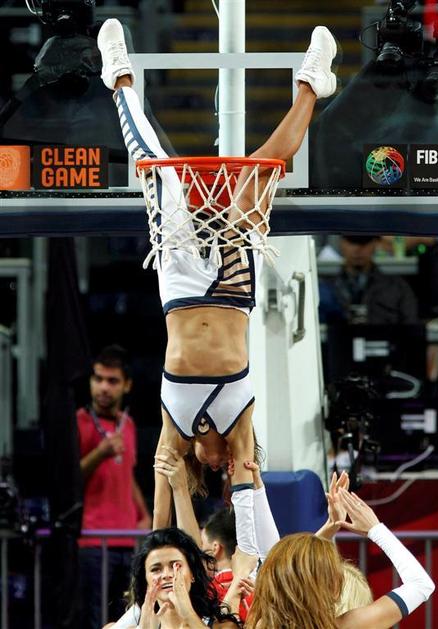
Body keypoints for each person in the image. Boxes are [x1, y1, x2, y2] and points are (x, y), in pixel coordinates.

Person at [96, 17, 338, 550]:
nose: (226, 464)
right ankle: (311, 86)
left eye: (219, 469)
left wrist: (152, 567)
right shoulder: (242, 430)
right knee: (255, 178)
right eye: (231, 469)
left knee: (160, 173)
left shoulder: (174, 435)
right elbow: (249, 490)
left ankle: (120, 80)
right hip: (231, 291)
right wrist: (244, 487)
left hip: (180, 289)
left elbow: (160, 526)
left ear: (202, 469)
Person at [245, 488, 435, 629]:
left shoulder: (259, 622)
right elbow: (421, 584)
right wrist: (376, 530)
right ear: (331, 588)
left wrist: (332, 525)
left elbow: (289, 569)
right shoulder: (349, 625)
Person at [77, 344, 151, 629]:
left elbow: (126, 474)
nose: (104, 387)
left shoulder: (127, 425)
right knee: (96, 619)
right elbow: (68, 481)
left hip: (129, 539)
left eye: (112, 380)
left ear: (127, 385)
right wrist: (100, 453)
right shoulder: (79, 422)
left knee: (129, 620)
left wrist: (143, 514)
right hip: (93, 541)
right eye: (98, 379)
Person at [103, 527, 246, 628]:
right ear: (145, 580)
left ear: (192, 574)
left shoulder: (224, 626)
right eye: (156, 569)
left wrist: (188, 614)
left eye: (176, 566)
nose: (167, 575)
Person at [319, 234, 419, 325]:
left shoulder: (397, 288)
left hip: (384, 338)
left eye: (364, 242)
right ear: (341, 243)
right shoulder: (325, 288)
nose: (357, 249)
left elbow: (411, 328)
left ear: (375, 244)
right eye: (351, 242)